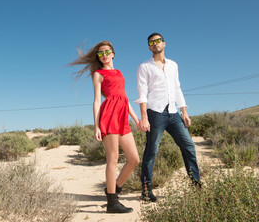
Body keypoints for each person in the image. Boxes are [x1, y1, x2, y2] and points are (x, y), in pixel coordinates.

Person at [69, 40, 140, 213]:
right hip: (109, 115)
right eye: (100, 53)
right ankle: (112, 203)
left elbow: (124, 97)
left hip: (123, 116)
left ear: (113, 53)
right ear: (98, 58)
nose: (104, 55)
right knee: (113, 159)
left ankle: (113, 189)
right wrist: (96, 126)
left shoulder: (120, 72)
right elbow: (96, 101)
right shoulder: (98, 74)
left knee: (134, 159)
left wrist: (137, 119)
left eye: (107, 52)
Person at [136, 33, 201, 202]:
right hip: (155, 113)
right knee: (151, 150)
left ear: (164, 43)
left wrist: (184, 111)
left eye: (158, 41)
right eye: (151, 42)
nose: (155, 44)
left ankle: (196, 185)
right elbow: (142, 93)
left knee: (188, 146)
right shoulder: (144, 66)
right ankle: (146, 189)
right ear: (149, 47)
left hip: (174, 113)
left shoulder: (173, 65)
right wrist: (144, 117)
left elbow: (177, 88)